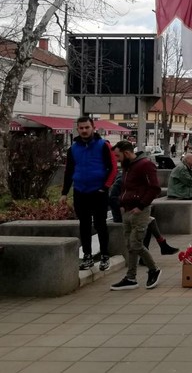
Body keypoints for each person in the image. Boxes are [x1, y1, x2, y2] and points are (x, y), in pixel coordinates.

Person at [60, 116, 118, 272]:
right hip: (80, 191)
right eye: (81, 128)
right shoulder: (72, 149)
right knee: (84, 225)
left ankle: (105, 255)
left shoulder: (103, 145)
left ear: (93, 127)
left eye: (87, 127)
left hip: (98, 191)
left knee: (100, 224)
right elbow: (68, 171)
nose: (84, 130)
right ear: (77, 129)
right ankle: (87, 256)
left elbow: (113, 168)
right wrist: (64, 192)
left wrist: (105, 187)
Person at [110, 141, 162, 290]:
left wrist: (141, 206)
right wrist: (121, 204)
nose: (117, 159)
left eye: (118, 156)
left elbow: (154, 188)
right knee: (130, 245)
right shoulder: (128, 166)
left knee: (135, 244)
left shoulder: (145, 165)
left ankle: (154, 270)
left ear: (126, 153)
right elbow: (124, 187)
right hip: (127, 209)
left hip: (139, 210)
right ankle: (131, 277)